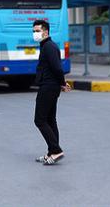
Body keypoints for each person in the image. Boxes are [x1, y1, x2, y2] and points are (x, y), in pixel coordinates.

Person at [32, 19, 71, 166]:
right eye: (34, 31)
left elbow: (57, 68)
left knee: (39, 120)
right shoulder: (47, 46)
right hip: (51, 85)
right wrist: (61, 83)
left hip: (48, 87)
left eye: (37, 31)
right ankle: (51, 152)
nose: (35, 33)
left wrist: (62, 83)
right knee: (50, 119)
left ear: (46, 32)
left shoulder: (49, 47)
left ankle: (56, 150)